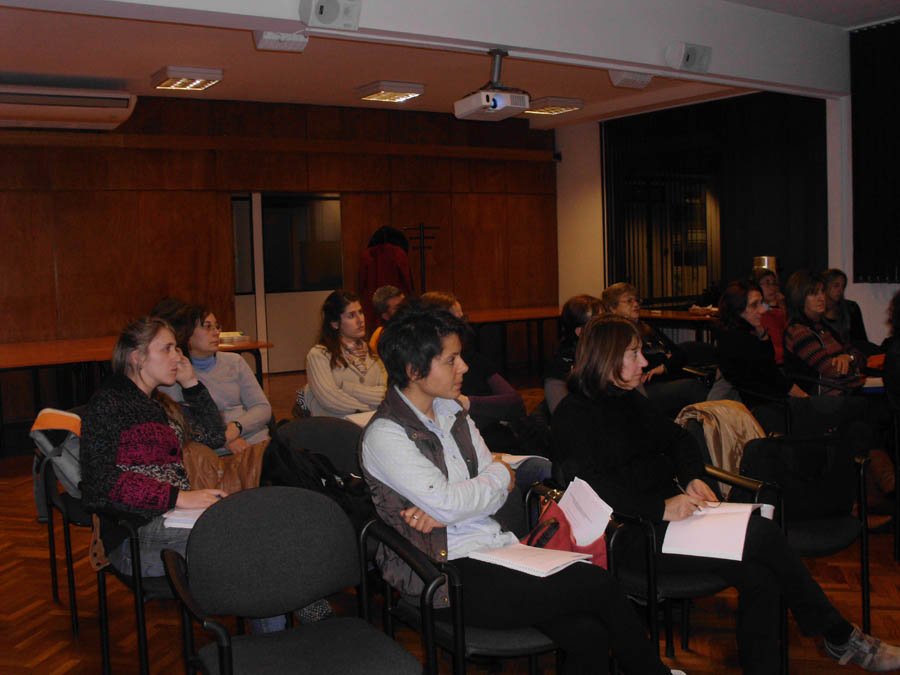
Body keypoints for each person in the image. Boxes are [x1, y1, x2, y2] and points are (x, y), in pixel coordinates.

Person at [551, 314, 900, 674]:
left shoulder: (627, 400)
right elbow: (589, 488)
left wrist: (692, 477)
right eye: (633, 353)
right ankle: (840, 635)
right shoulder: (573, 415)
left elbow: (680, 440)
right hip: (629, 536)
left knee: (760, 576)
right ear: (606, 358)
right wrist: (660, 508)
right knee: (761, 533)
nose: (643, 362)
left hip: (673, 521)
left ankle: (813, 648)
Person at [360, 303, 678, 675]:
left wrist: (472, 491)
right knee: (599, 585)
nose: (464, 367)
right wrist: (483, 483)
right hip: (443, 575)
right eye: (451, 360)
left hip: (495, 547)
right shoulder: (385, 435)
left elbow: (495, 488)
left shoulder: (451, 411)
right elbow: (461, 497)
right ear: (414, 370)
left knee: (588, 634)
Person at [81, 317, 227, 577]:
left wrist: (191, 384)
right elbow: (99, 481)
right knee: (235, 538)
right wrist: (178, 498)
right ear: (137, 357)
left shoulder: (161, 405)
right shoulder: (109, 403)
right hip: (135, 533)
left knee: (243, 528)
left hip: (173, 518)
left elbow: (215, 435)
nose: (178, 357)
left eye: (176, 348)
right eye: (166, 349)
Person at [153, 301, 272, 457]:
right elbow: (182, 425)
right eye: (207, 327)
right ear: (187, 334)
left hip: (256, 441)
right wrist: (223, 440)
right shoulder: (175, 372)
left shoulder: (234, 361)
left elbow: (262, 408)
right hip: (213, 454)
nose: (216, 332)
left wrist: (235, 428)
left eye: (217, 326)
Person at [419, 291, 526, 451]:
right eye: (455, 321)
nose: (464, 327)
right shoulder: (426, 372)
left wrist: (468, 402)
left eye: (463, 319)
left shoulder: (473, 358)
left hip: (490, 442)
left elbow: (515, 402)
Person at [602, 282, 708, 417]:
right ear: (612, 308)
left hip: (667, 379)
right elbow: (642, 365)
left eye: (637, 300)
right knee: (692, 388)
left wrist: (663, 367)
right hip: (642, 389)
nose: (636, 304)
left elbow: (680, 354)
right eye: (629, 301)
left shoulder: (647, 327)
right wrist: (664, 357)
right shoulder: (614, 334)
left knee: (696, 353)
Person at [298, 289, 387, 417]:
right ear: (335, 324)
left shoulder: (373, 355)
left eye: (360, 312)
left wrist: (349, 389)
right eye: (351, 315)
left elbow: (387, 393)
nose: (360, 320)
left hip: (368, 421)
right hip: (333, 424)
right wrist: (369, 409)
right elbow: (330, 399)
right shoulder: (318, 355)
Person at [783, 271, 866, 394]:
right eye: (813, 294)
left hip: (843, 393)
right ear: (799, 298)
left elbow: (862, 358)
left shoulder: (822, 326)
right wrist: (853, 366)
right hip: (820, 400)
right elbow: (833, 371)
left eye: (822, 291)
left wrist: (848, 358)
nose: (821, 298)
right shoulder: (797, 331)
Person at [544, 294, 602, 416]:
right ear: (580, 332)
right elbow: (564, 416)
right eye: (600, 324)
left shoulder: (608, 354)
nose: (609, 328)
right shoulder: (560, 368)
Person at [822, 268, 878, 354]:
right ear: (825, 286)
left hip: (851, 354)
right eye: (836, 285)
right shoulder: (816, 311)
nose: (840, 290)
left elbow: (860, 340)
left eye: (843, 286)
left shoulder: (851, 308)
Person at [752, 268, 788, 364]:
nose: (772, 288)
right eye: (767, 283)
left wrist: (783, 307)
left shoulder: (779, 310)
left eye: (774, 283)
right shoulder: (753, 314)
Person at [368, 285, 405, 355]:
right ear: (385, 316)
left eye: (405, 303)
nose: (406, 308)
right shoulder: (378, 337)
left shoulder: (418, 325)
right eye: (398, 307)